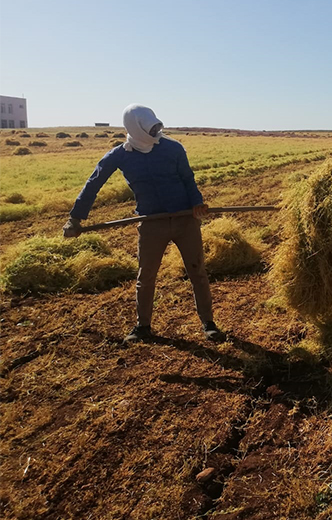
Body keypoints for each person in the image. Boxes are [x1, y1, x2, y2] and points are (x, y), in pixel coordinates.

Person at [63, 104, 225, 344]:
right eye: (150, 130)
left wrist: (197, 204)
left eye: (157, 128)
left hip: (184, 220)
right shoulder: (120, 155)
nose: (155, 133)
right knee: (146, 276)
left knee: (197, 271)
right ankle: (143, 326)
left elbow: (188, 180)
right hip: (150, 224)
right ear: (134, 128)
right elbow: (94, 183)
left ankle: (208, 323)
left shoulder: (173, 148)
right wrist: (75, 218)